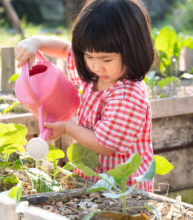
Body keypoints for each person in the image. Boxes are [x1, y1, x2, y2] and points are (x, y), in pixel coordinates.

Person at [15, 0, 154, 192]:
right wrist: (35, 42)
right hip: (94, 179)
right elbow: (65, 49)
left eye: (106, 59)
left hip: (123, 190)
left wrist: (66, 128)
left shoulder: (128, 96)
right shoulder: (95, 76)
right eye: (89, 56)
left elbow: (105, 145)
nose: (96, 66)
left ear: (133, 50)